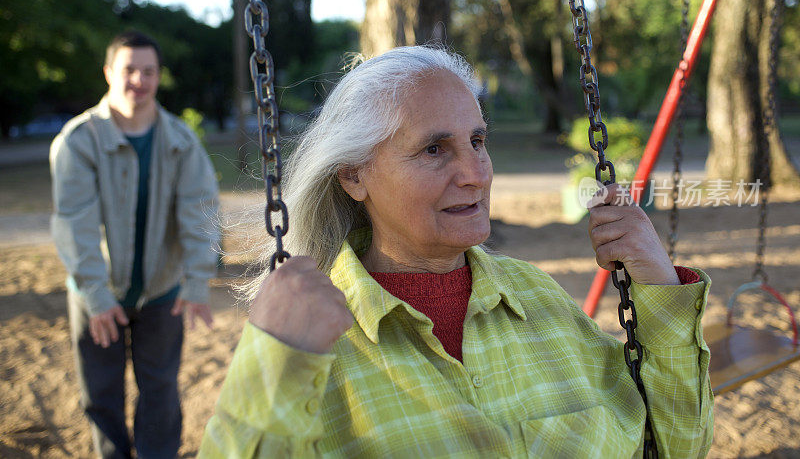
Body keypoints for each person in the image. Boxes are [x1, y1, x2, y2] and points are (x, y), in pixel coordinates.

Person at [199, 46, 713, 458]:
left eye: (478, 141)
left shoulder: (538, 299)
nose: (475, 174)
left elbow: (675, 446)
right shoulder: (308, 343)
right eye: (433, 149)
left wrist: (657, 289)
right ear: (355, 175)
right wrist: (274, 361)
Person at [50, 30, 220, 459]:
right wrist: (94, 292)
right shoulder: (77, 141)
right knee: (101, 392)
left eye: (148, 71)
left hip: (162, 290)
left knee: (160, 389)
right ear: (109, 72)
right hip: (97, 291)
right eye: (129, 70)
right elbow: (75, 223)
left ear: (159, 77)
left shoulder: (182, 141)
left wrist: (198, 278)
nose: (138, 80)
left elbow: (201, 212)